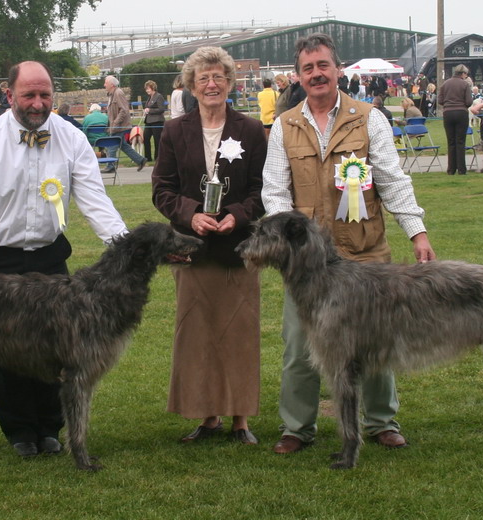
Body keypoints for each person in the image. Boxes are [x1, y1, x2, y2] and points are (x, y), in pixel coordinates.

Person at [262, 32, 436, 455]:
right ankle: (296, 428)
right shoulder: (285, 126)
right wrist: (287, 243)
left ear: (337, 69)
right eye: (308, 68)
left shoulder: (369, 117)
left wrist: (417, 232)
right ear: (298, 76)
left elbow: (393, 180)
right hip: (307, 266)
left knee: (376, 343)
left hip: (366, 253)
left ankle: (382, 422)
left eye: (323, 66)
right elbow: (274, 192)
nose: (317, 74)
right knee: (300, 348)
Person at [0, 60, 128, 458]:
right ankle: (19, 431)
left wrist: (126, 248)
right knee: (3, 353)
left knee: (58, 351)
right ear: (10, 95)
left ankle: (51, 428)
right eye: (29, 95)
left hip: (50, 262)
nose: (37, 103)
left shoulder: (72, 138)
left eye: (45, 95)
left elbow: (94, 200)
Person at [152, 46, 266, 446]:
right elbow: (162, 191)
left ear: (230, 83)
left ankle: (240, 420)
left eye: (219, 77)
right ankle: (207, 416)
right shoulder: (174, 131)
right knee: (197, 333)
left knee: (238, 333)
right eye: (204, 78)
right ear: (191, 86)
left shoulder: (251, 130)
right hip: (193, 250)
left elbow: (261, 190)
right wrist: (189, 215)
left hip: (238, 250)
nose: (212, 84)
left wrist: (238, 213)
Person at [103, 75, 147, 172]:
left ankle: (110, 166)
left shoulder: (118, 93)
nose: (104, 85)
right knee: (123, 145)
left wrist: (115, 123)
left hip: (119, 127)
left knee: (112, 145)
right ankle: (141, 160)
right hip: (116, 126)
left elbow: (124, 110)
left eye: (106, 83)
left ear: (112, 84)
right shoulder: (112, 94)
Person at [438, 64, 473, 175]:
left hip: (448, 113)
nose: (466, 76)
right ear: (462, 73)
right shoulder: (465, 84)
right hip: (461, 113)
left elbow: (440, 100)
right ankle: (461, 169)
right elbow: (468, 102)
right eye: (465, 74)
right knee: (460, 141)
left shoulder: (445, 84)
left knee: (451, 141)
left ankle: (451, 169)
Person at [142, 80, 166, 163]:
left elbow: (161, 109)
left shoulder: (159, 96)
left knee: (157, 140)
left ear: (153, 88)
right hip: (148, 122)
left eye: (148, 89)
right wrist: (145, 110)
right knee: (146, 138)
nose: (147, 90)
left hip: (157, 121)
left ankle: (158, 157)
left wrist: (150, 110)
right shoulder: (149, 98)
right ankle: (148, 157)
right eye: (146, 89)